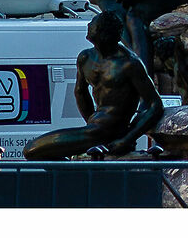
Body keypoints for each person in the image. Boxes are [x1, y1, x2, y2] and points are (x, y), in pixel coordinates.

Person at [24, 9, 164, 160]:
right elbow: (80, 93)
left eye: (93, 24)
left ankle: (73, 170)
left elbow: (156, 105)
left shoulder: (129, 63)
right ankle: (73, 171)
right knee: (38, 151)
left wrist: (127, 139)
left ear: (104, 33)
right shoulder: (85, 57)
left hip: (110, 132)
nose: (89, 24)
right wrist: (91, 121)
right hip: (94, 129)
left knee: (31, 150)